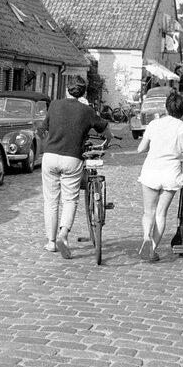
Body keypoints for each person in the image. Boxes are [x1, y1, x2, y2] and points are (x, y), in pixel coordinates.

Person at [39, 79, 109, 259]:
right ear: (83, 93)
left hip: (50, 156)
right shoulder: (87, 110)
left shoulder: (54, 105)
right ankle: (63, 234)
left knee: (51, 200)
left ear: (66, 90)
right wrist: (107, 140)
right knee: (70, 199)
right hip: (72, 158)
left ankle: (51, 242)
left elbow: (43, 129)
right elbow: (105, 130)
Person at [136, 91, 183, 262]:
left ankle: (146, 237)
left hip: (151, 171)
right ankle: (152, 250)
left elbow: (140, 149)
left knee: (148, 212)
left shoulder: (153, 124)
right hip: (170, 173)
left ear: (166, 108)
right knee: (161, 214)